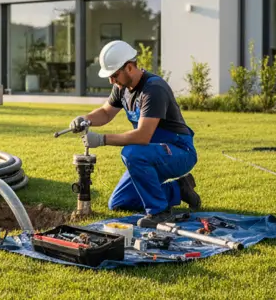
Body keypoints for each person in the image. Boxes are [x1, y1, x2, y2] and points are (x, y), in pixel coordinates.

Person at [69, 40, 200, 228]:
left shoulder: (153, 89)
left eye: (114, 75)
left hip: (179, 151)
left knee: (132, 153)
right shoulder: (121, 88)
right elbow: (106, 113)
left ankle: (159, 212)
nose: (111, 81)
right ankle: (179, 189)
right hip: (153, 152)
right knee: (119, 202)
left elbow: (142, 136)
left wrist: (101, 139)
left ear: (129, 67)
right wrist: (85, 119)